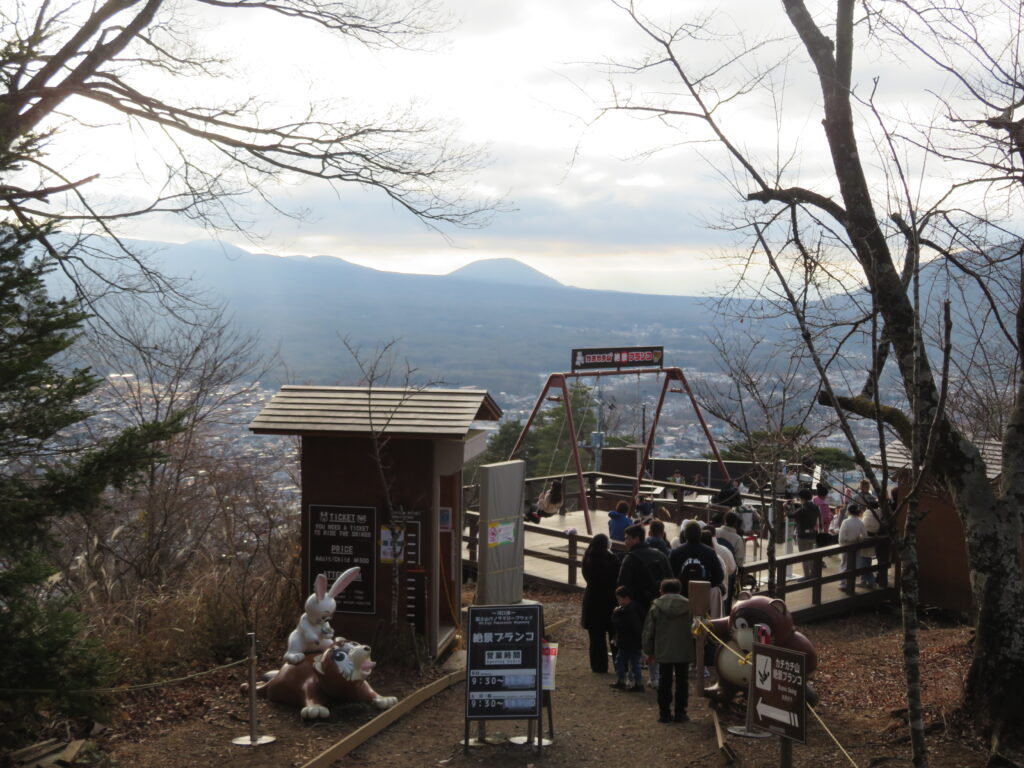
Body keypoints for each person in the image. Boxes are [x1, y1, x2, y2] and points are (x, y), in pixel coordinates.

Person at [642, 578, 694, 723]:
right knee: (682, 681)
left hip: (663, 648)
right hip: (684, 649)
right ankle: (681, 713)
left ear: (662, 590)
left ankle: (664, 713)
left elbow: (649, 631)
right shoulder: (690, 605)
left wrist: (648, 651)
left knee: (664, 680)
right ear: (679, 590)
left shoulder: (656, 606)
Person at [582, 534, 621, 673]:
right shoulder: (613, 560)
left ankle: (598, 666)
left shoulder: (587, 558)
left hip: (592, 599)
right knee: (614, 635)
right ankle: (619, 665)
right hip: (610, 600)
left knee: (596, 637)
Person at [617, 524, 673, 617]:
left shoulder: (630, 558)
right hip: (660, 605)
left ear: (636, 539)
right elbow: (671, 578)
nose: (625, 541)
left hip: (638, 607)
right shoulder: (660, 555)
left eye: (627, 538)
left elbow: (622, 583)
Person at [669, 521, 725, 597]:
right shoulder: (710, 552)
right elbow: (719, 576)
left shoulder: (675, 552)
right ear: (700, 534)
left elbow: (669, 576)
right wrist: (706, 585)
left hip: (680, 596)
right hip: (702, 596)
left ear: (685, 535)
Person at [609, 586, 645, 691]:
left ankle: (626, 682)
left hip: (629, 642)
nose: (618, 601)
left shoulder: (627, 612)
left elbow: (621, 626)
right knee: (632, 664)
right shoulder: (634, 609)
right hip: (631, 642)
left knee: (625, 663)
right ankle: (636, 683)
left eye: (619, 599)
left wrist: (615, 614)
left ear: (626, 598)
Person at [838, 503, 872, 593]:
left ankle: (843, 584)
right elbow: (865, 536)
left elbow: (841, 538)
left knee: (844, 565)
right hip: (856, 546)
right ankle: (851, 583)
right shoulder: (860, 522)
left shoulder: (845, 522)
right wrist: (857, 539)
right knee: (854, 565)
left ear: (849, 512)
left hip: (845, 546)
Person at [788, 488, 820, 579]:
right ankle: (812, 574)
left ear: (802, 498)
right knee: (811, 556)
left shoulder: (803, 509)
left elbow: (790, 515)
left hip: (803, 536)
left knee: (804, 557)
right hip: (812, 535)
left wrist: (785, 506)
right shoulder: (815, 508)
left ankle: (807, 576)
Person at [700, 528, 732, 617]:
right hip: (719, 595)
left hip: (699, 597)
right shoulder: (719, 556)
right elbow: (730, 570)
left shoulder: (698, 557)